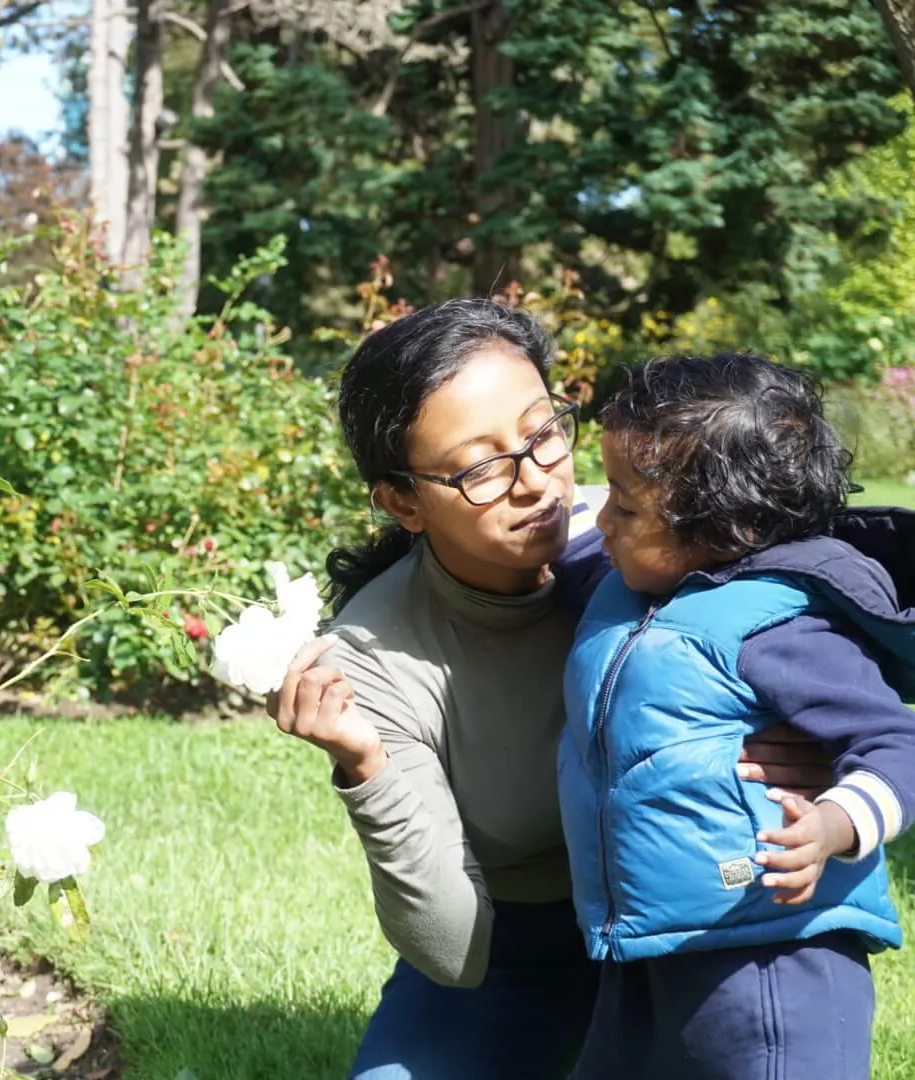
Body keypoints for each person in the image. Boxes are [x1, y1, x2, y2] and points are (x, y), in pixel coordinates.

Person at [269, 300, 831, 1080]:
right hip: (519, 950)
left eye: (542, 434)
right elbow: (453, 952)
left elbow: (820, 599)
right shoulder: (374, 659)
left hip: (695, 919)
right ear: (403, 502)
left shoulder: (645, 527)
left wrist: (816, 753)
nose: (538, 483)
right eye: (480, 468)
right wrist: (367, 770)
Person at [558, 352, 915, 1080]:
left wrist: (833, 825)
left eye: (625, 507)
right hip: (649, 951)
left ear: (732, 526)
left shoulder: (780, 625)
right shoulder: (633, 584)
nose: (604, 521)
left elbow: (894, 741)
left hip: (774, 958)